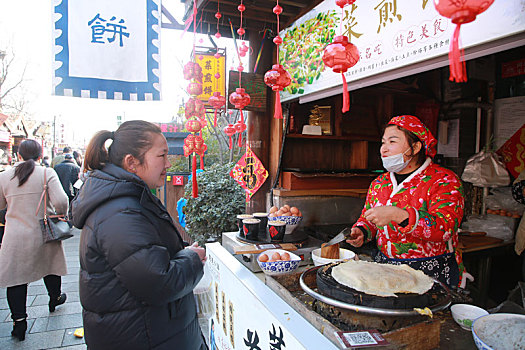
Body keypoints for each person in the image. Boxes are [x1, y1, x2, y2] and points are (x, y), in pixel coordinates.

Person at [71, 120, 207, 350]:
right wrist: (192, 259)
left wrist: (180, 251)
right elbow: (158, 281)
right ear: (132, 163)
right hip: (142, 336)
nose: (168, 163)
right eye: (161, 156)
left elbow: (146, 254)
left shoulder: (128, 199)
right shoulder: (119, 213)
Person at [346, 115, 465, 288]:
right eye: (383, 142)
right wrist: (362, 231)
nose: (383, 150)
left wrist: (399, 215)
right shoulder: (380, 183)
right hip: (385, 270)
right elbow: (369, 217)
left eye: (392, 142)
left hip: (432, 273)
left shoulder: (444, 181)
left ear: (415, 147)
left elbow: (445, 228)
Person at [0, 139, 69, 341]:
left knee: (16, 279)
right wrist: (61, 214)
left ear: (18, 155)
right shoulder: (47, 173)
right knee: (50, 266)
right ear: (40, 156)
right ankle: (55, 298)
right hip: (43, 232)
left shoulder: (4, 176)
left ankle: (19, 323)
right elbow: (62, 201)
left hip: (14, 236)